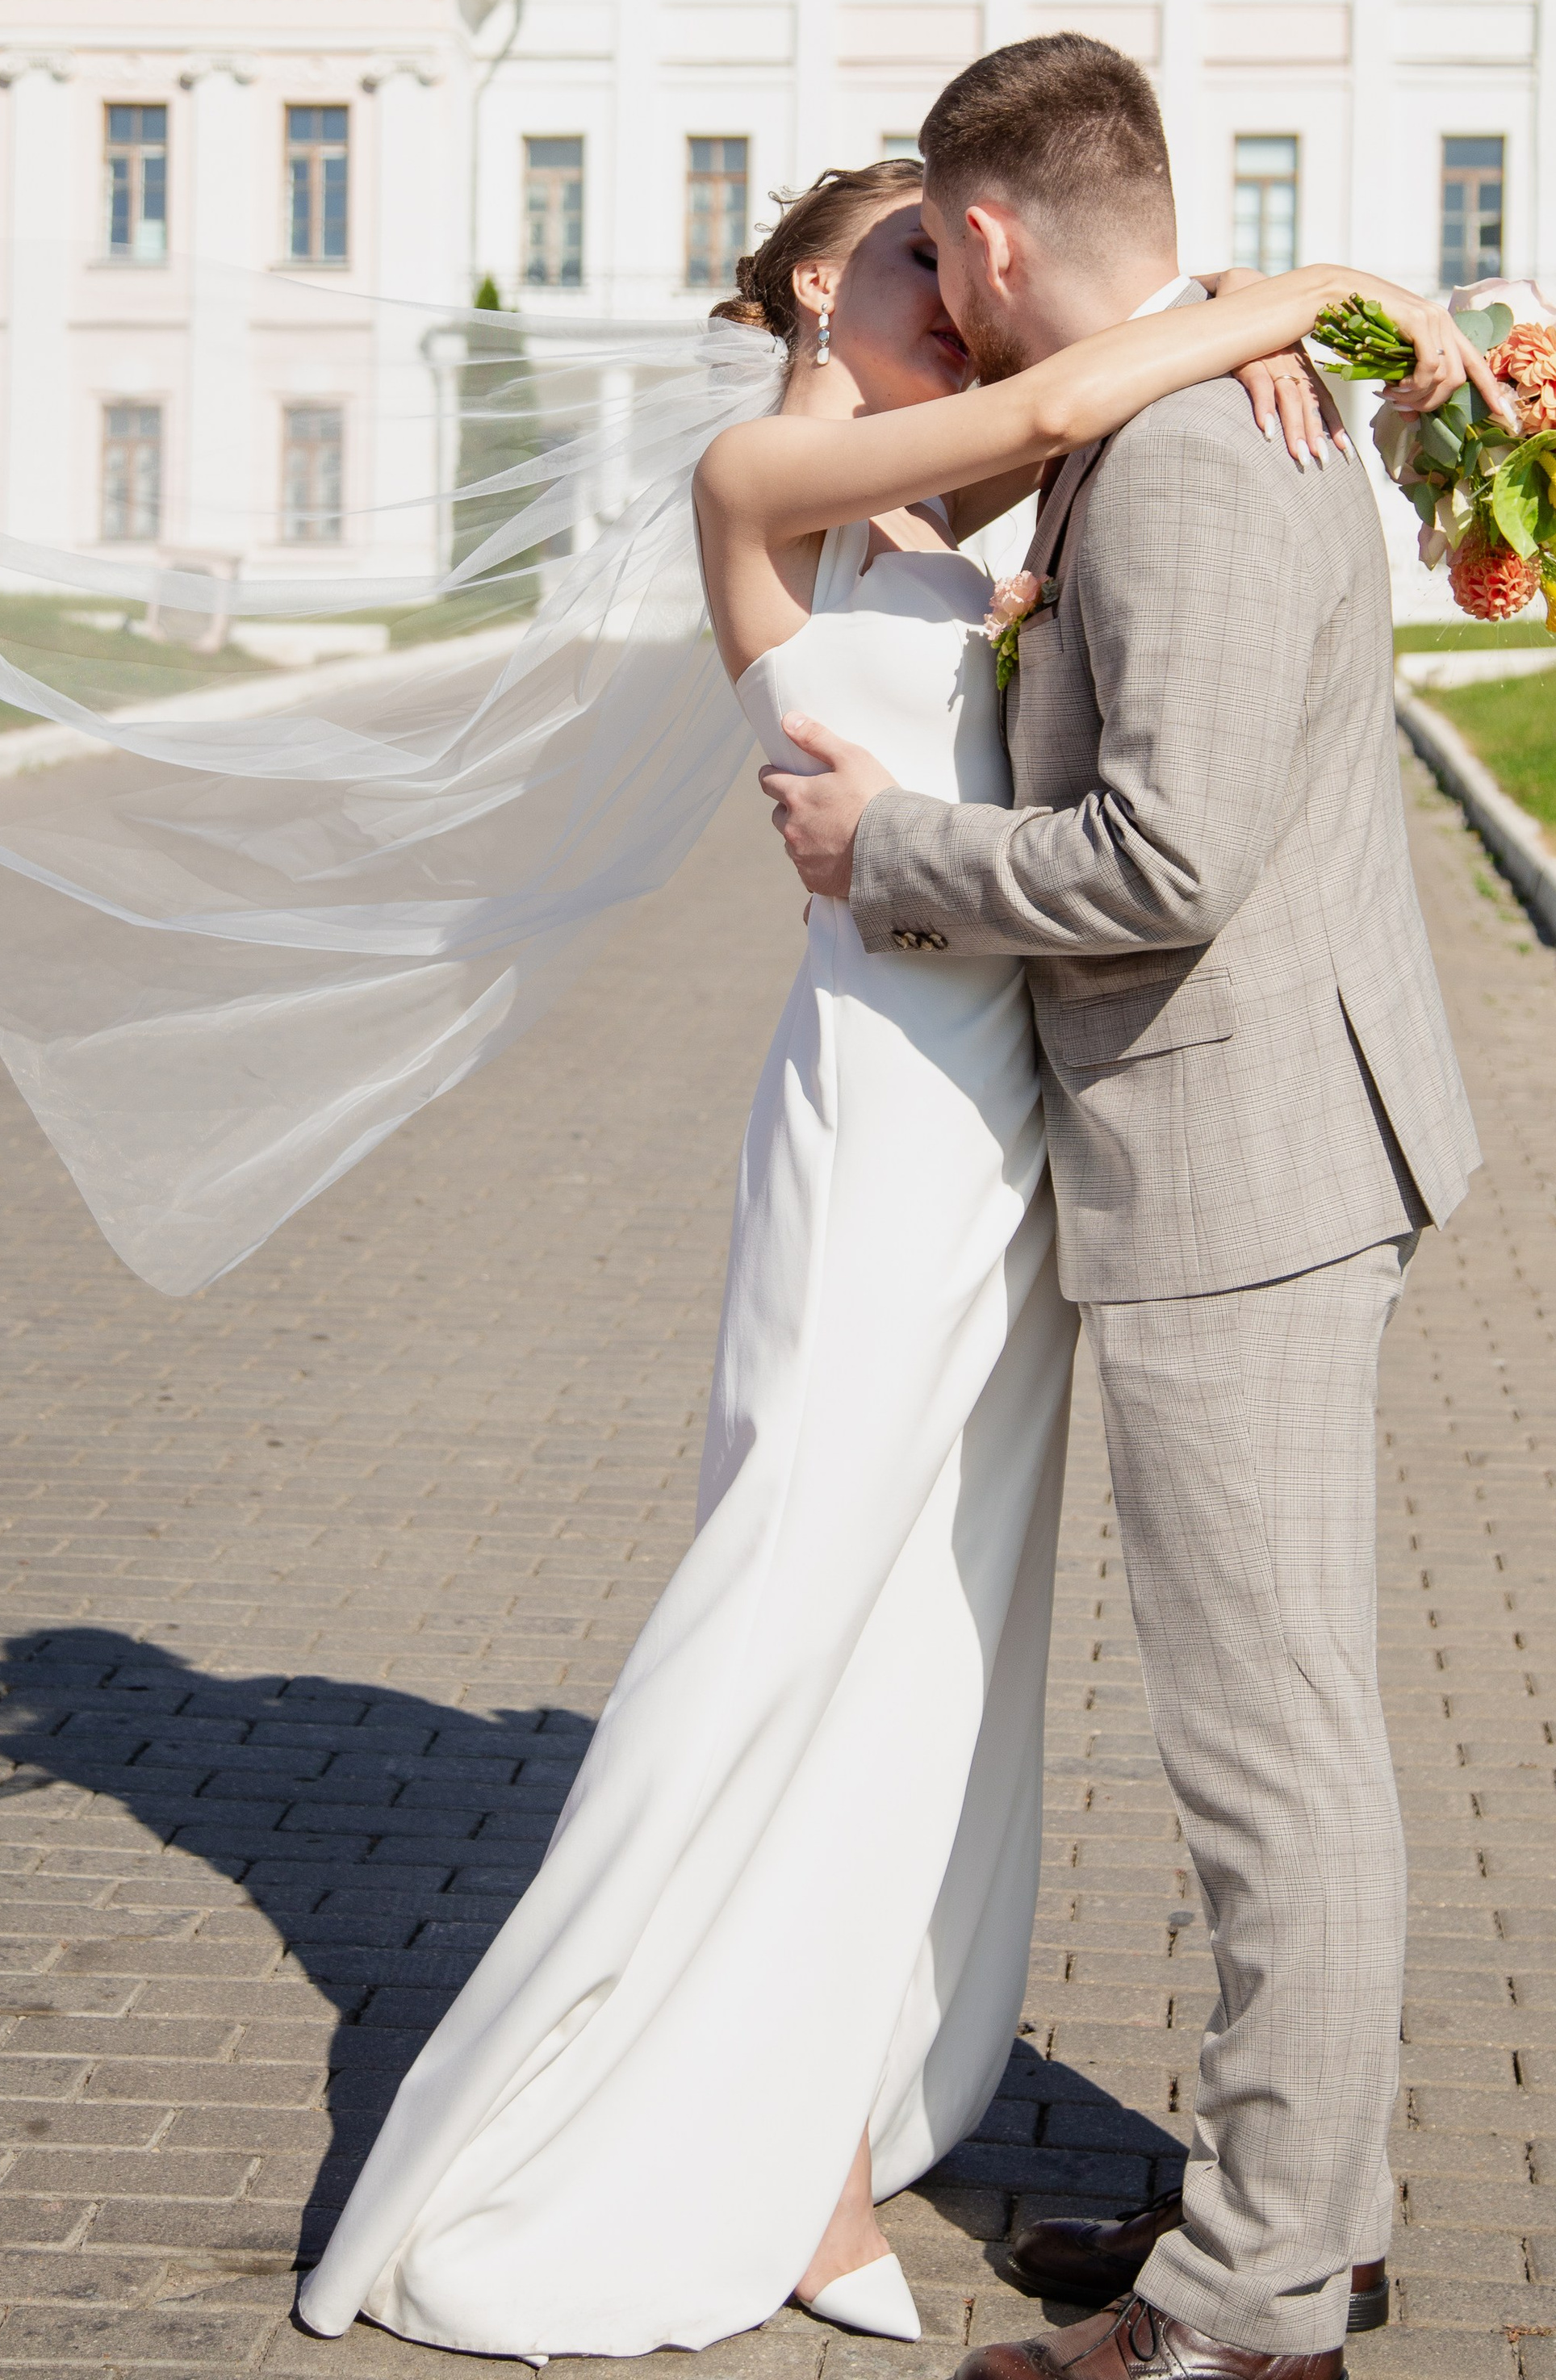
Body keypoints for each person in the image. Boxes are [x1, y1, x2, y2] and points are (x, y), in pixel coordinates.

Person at [296, 142, 1485, 2364]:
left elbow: (1122, 466)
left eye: (957, 250)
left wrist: (1312, 345)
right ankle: (748, 2138)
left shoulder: (965, 514)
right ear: (809, 294)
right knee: (797, 1609)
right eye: (907, 258)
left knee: (936, 1646)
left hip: (1026, 1142)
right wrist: (1297, 293)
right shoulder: (762, 475)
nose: (948, 288)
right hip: (881, 1123)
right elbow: (1070, 396)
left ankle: (894, 2115)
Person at [764, 39, 1488, 2380]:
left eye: (939, 255)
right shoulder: (1191, 404)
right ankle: (1303, 2216)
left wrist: (879, 848)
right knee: (1279, 1726)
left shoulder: (1184, 453)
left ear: (985, 238)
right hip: (1256, 1133)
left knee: (1271, 1747)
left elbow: (1164, 858)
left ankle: (1260, 2303)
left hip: (1243, 1156)